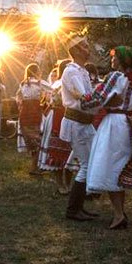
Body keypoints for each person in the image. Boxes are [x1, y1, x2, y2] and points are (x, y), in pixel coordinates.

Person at [85, 47, 132, 229]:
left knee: (110, 166)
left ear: (121, 60)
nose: (112, 60)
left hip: (115, 123)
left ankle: (118, 214)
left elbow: (97, 99)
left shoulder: (115, 77)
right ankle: (120, 211)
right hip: (129, 122)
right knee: (120, 164)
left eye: (114, 57)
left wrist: (82, 100)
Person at [60, 34, 103, 221]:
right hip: (77, 123)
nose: (89, 49)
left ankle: (79, 206)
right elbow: (85, 98)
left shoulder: (81, 71)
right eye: (85, 46)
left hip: (84, 122)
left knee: (91, 161)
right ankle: (73, 209)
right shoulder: (72, 72)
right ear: (76, 50)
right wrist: (106, 99)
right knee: (86, 165)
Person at [39, 60, 74, 194]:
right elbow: (55, 100)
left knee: (69, 152)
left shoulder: (70, 83)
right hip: (58, 116)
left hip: (69, 117)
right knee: (57, 151)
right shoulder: (58, 84)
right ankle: (61, 184)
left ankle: (68, 184)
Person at [16, 63, 50, 175]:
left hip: (25, 112)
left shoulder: (23, 84)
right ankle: (36, 167)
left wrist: (21, 104)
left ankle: (35, 166)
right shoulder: (40, 83)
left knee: (31, 140)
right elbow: (53, 90)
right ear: (37, 72)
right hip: (35, 111)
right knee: (38, 139)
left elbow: (18, 98)